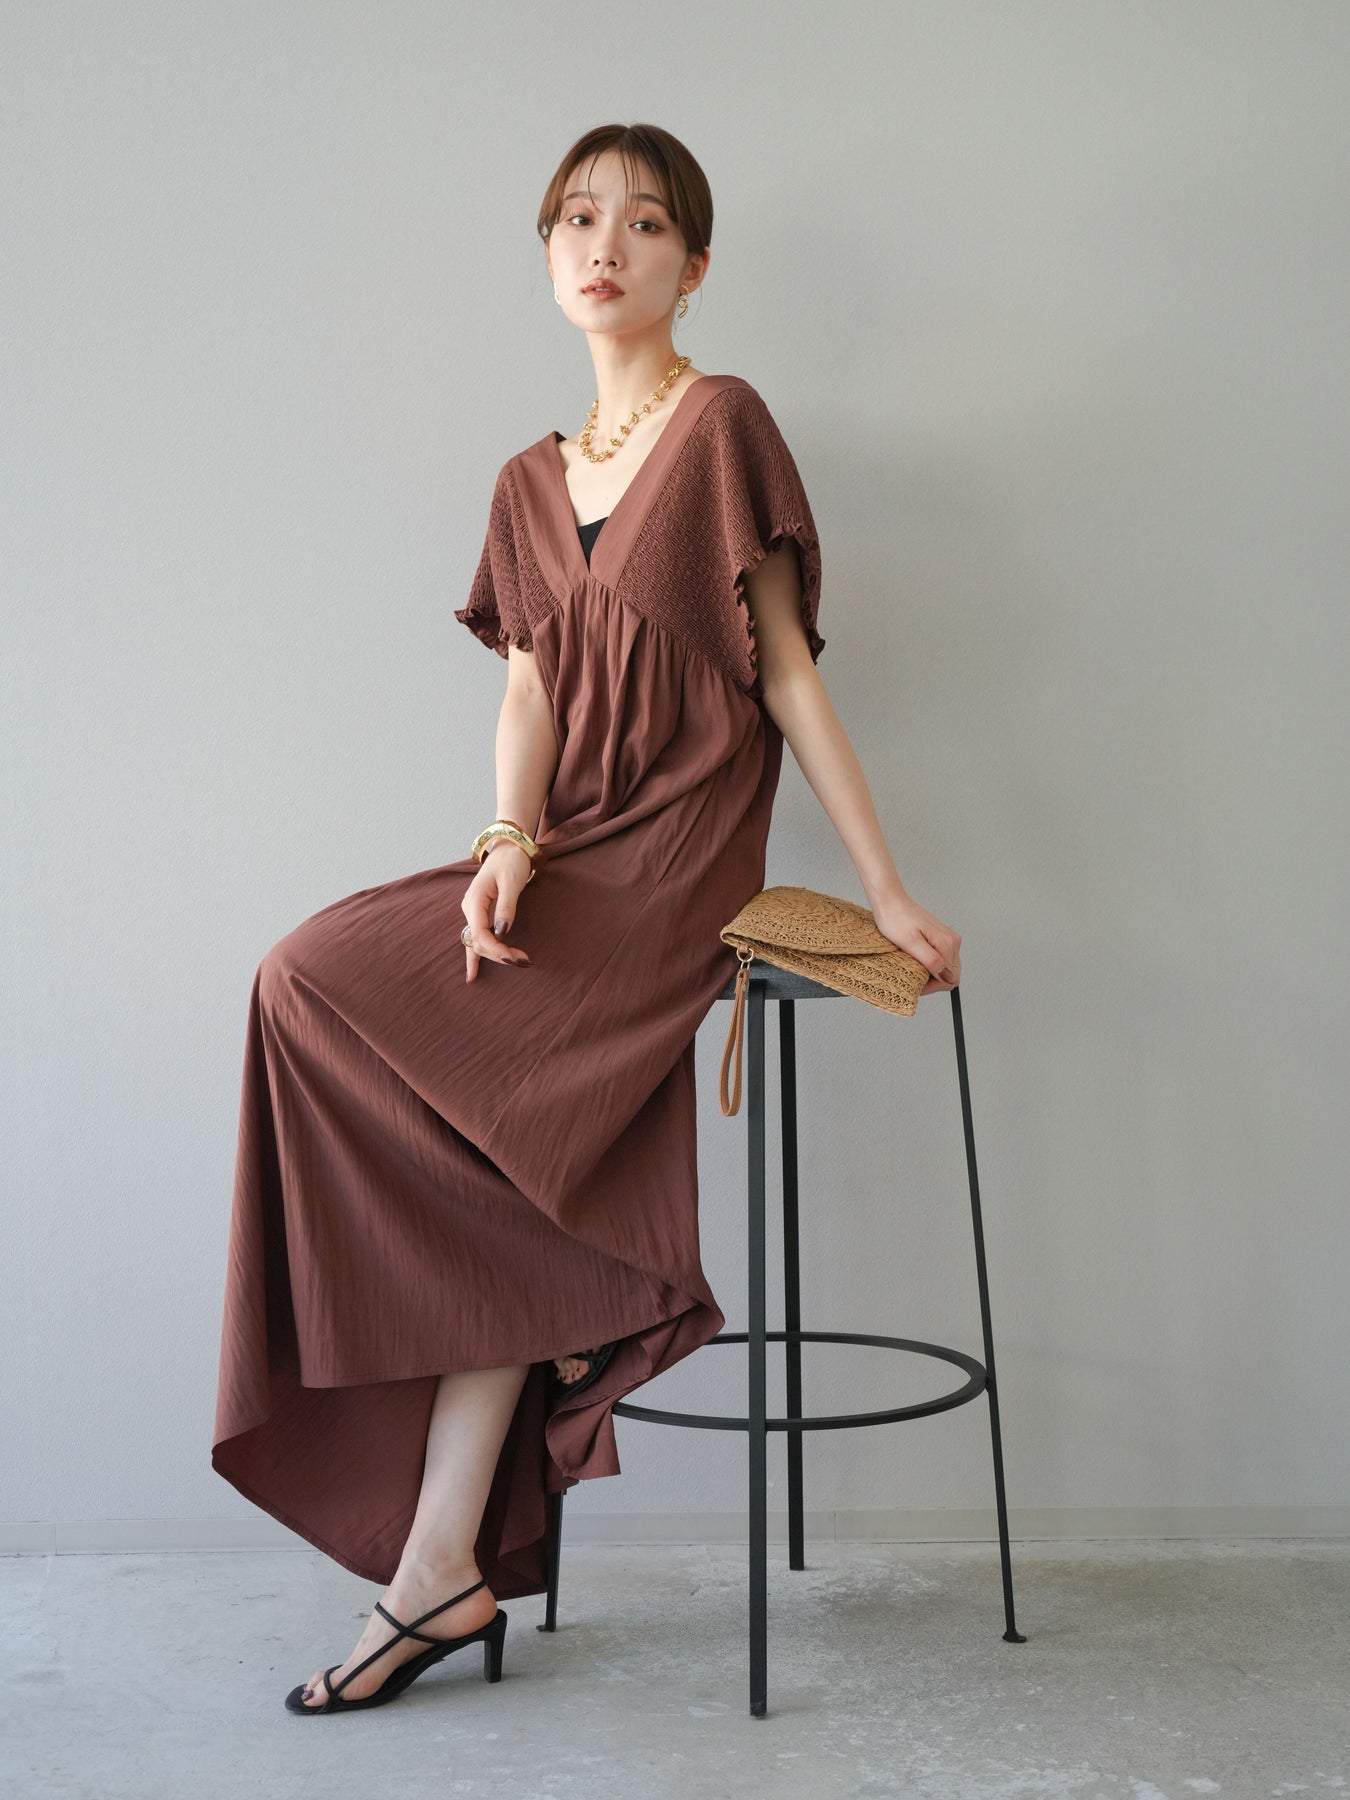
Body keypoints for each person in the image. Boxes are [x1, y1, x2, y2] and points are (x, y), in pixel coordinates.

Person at [211, 122, 962, 1717]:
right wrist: (504, 842)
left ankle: (455, 1528)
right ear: (546, 252)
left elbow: (785, 673)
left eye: (642, 222)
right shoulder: (523, 482)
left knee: (452, 1096)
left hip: (673, 863)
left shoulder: (722, 425)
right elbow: (529, 695)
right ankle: (441, 1558)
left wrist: (886, 889)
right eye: (573, 218)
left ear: (694, 263)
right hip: (566, 852)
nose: (602, 245)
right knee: (309, 983)